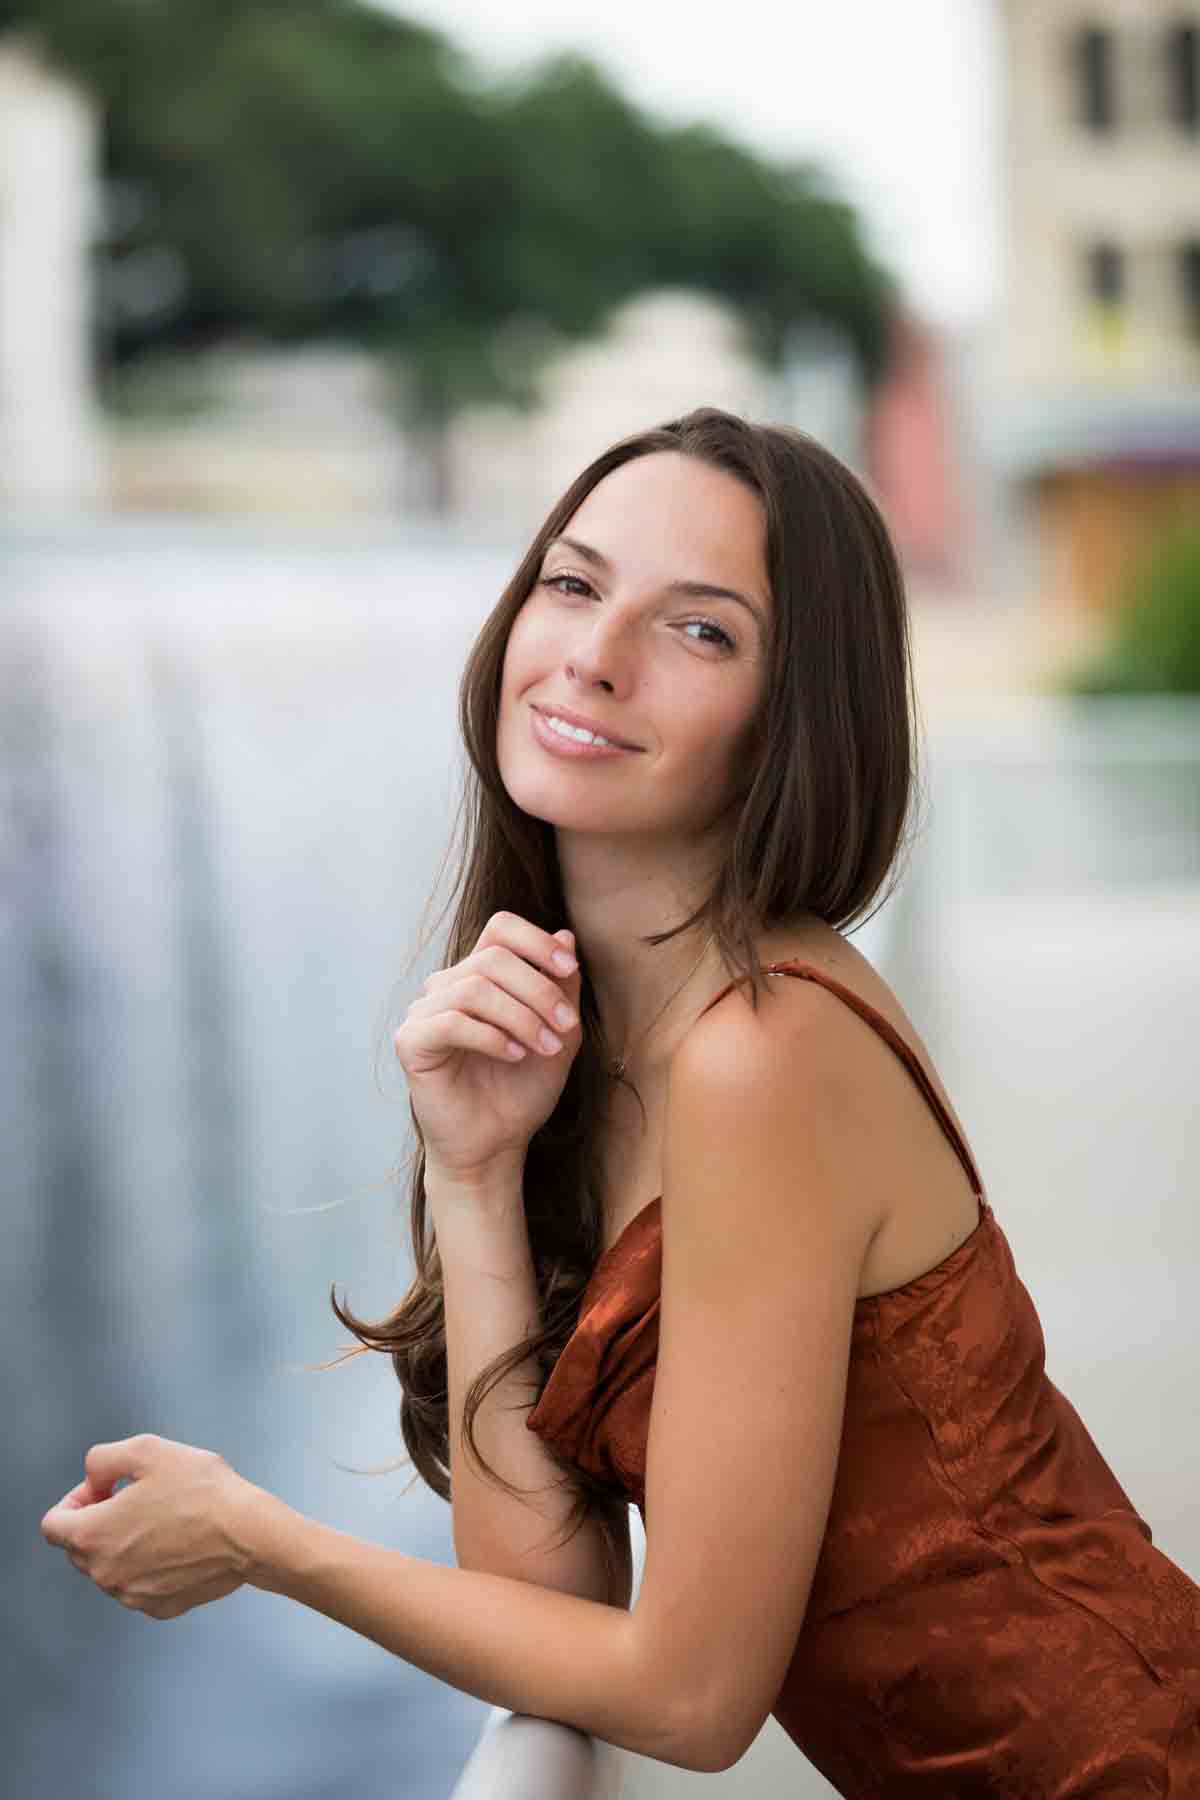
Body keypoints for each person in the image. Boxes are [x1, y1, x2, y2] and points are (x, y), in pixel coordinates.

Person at [41, 408, 1199, 1792]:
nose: (593, 656)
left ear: (792, 712)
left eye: (698, 630)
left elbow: (693, 1699)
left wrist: (261, 1541)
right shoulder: (611, 1040)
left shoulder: (760, 1051)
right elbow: (561, 1611)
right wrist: (475, 1174)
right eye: (574, 584)